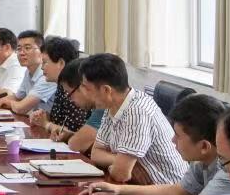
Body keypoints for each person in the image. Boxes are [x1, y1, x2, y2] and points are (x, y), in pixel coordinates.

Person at [79, 94, 230, 195]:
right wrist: (119, 190)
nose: (172, 140)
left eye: (178, 136)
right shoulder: (204, 161)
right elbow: (177, 191)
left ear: (204, 146)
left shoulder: (229, 171)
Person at [69, 53, 186, 186]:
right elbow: (96, 154)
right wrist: (119, 162)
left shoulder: (137, 112)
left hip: (165, 194)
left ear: (106, 90)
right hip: (139, 187)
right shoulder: (112, 105)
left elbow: (121, 175)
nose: (83, 92)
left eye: (86, 87)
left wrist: (119, 166)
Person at [44, 51, 104, 154]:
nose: (69, 99)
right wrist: (69, 135)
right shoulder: (96, 106)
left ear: (84, 86)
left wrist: (47, 124)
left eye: (69, 93)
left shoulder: (103, 106)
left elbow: (76, 144)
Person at [0, 30, 47, 112]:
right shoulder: (28, 72)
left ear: (41, 51)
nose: (22, 53)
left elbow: (21, 107)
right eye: (19, 49)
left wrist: (6, 102)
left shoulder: (46, 75)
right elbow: (16, 98)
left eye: (27, 48)